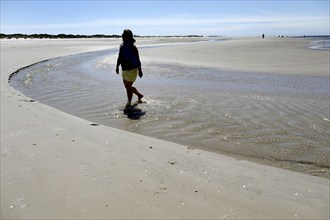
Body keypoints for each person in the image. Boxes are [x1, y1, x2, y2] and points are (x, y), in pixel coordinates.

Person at [116, 29, 144, 109]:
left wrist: (140, 70)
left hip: (132, 70)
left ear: (128, 37)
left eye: (124, 35)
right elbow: (120, 57)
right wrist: (117, 66)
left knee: (128, 88)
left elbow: (137, 59)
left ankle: (129, 103)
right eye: (122, 35)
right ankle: (139, 95)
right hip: (124, 70)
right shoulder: (121, 46)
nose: (122, 36)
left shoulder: (133, 47)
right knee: (128, 87)